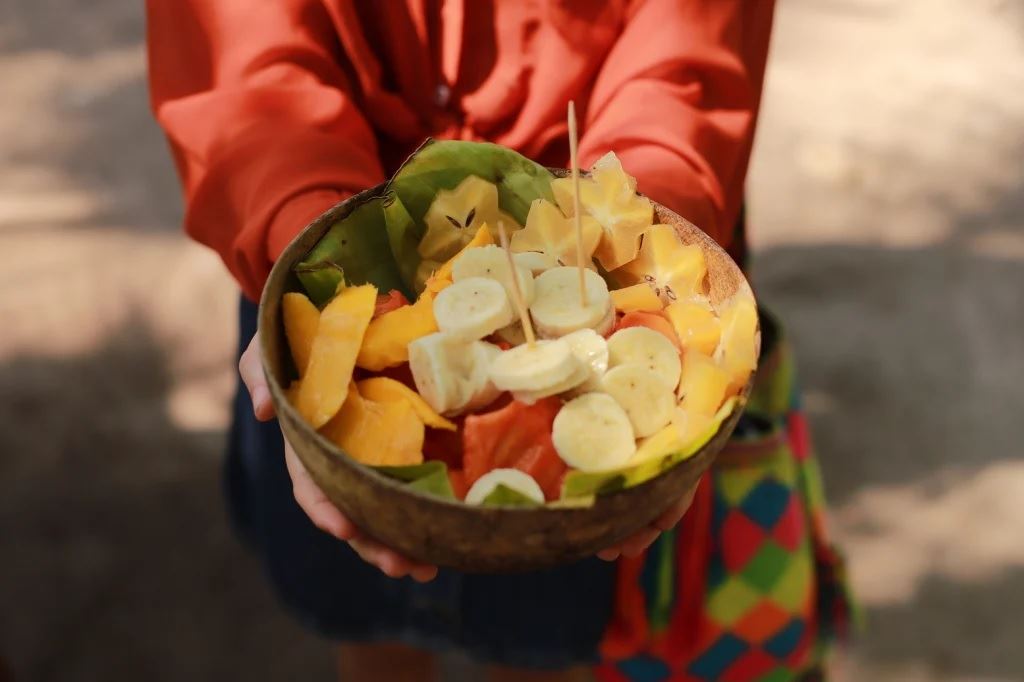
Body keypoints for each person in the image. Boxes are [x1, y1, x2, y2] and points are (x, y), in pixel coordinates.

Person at [147, 1, 852, 679]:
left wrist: (634, 217)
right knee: (366, 623)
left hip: (584, 275)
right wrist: (305, 237)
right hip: (334, 263)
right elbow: (247, 58)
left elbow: (682, 57)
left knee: (544, 643)